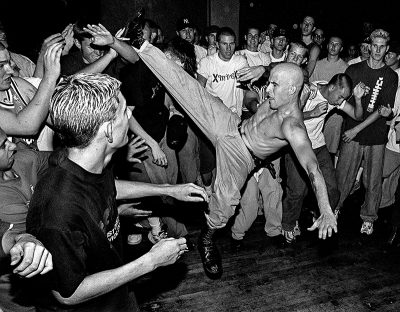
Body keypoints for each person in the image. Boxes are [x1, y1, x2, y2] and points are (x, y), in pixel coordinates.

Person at [134, 38, 338, 279]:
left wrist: (325, 209)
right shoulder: (283, 89)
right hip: (232, 126)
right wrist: (263, 69)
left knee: (225, 206)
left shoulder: (293, 126)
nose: (268, 89)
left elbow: (313, 168)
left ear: (292, 90)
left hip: (242, 156)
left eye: (274, 86)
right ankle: (143, 46)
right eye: (269, 84)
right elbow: (281, 70)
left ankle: (207, 239)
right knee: (192, 91)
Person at [26, 73, 208, 311]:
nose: (130, 115)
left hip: (117, 295)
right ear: (109, 131)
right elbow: (68, 294)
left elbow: (107, 185)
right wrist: (150, 262)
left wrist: (171, 189)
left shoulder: (81, 159)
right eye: (124, 111)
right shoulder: (57, 211)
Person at [282, 75, 367, 244]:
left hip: (319, 147)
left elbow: (358, 116)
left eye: (344, 98)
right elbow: (286, 118)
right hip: (297, 147)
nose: (340, 101)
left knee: (333, 191)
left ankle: (320, 213)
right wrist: (311, 113)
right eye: (341, 96)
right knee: (297, 191)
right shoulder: (309, 92)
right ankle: (288, 225)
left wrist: (357, 99)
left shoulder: (335, 98)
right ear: (333, 87)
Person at [335, 29, 398, 236]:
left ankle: (369, 218)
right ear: (369, 46)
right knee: (343, 177)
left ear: (387, 48)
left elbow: (382, 110)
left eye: (383, 46)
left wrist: (358, 129)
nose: (378, 50)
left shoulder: (390, 76)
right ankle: (333, 209)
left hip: (375, 136)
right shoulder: (354, 70)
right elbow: (343, 102)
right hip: (351, 134)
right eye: (375, 45)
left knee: (373, 180)